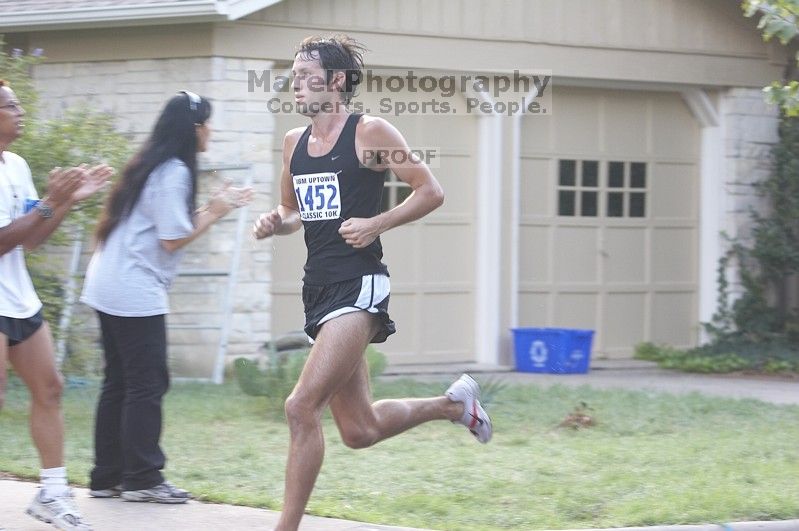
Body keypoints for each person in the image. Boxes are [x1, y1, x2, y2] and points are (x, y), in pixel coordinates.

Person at [253, 35, 492, 531]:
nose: (295, 82)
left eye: (304, 74)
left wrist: (376, 223)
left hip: (360, 286)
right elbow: (293, 210)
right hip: (317, 289)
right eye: (292, 75)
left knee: (300, 407)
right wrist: (275, 222)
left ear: (336, 81)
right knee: (360, 430)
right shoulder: (293, 143)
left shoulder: (371, 132)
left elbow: (431, 191)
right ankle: (453, 406)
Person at [80, 90, 252, 504]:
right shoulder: (174, 171)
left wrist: (212, 206)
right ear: (194, 130)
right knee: (147, 383)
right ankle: (142, 478)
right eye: (207, 123)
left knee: (120, 381)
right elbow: (173, 239)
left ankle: (107, 476)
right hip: (132, 287)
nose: (211, 130)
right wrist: (216, 210)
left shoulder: (150, 164)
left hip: (108, 280)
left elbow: (165, 230)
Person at [0, 80, 112, 531]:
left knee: (50, 388)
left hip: (19, 300)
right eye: (9, 105)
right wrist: (50, 202)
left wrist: (62, 203)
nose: (20, 110)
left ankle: (52, 492)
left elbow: (32, 239)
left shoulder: (17, 165)